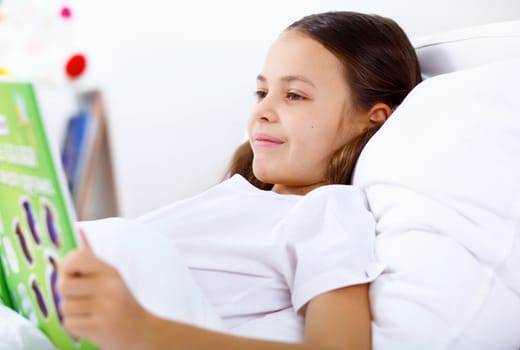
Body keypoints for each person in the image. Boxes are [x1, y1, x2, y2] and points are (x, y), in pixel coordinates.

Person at [57, 11, 421, 350]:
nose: (262, 111)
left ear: (372, 119)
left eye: (294, 95)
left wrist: (143, 330)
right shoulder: (240, 197)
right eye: (262, 92)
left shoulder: (328, 211)